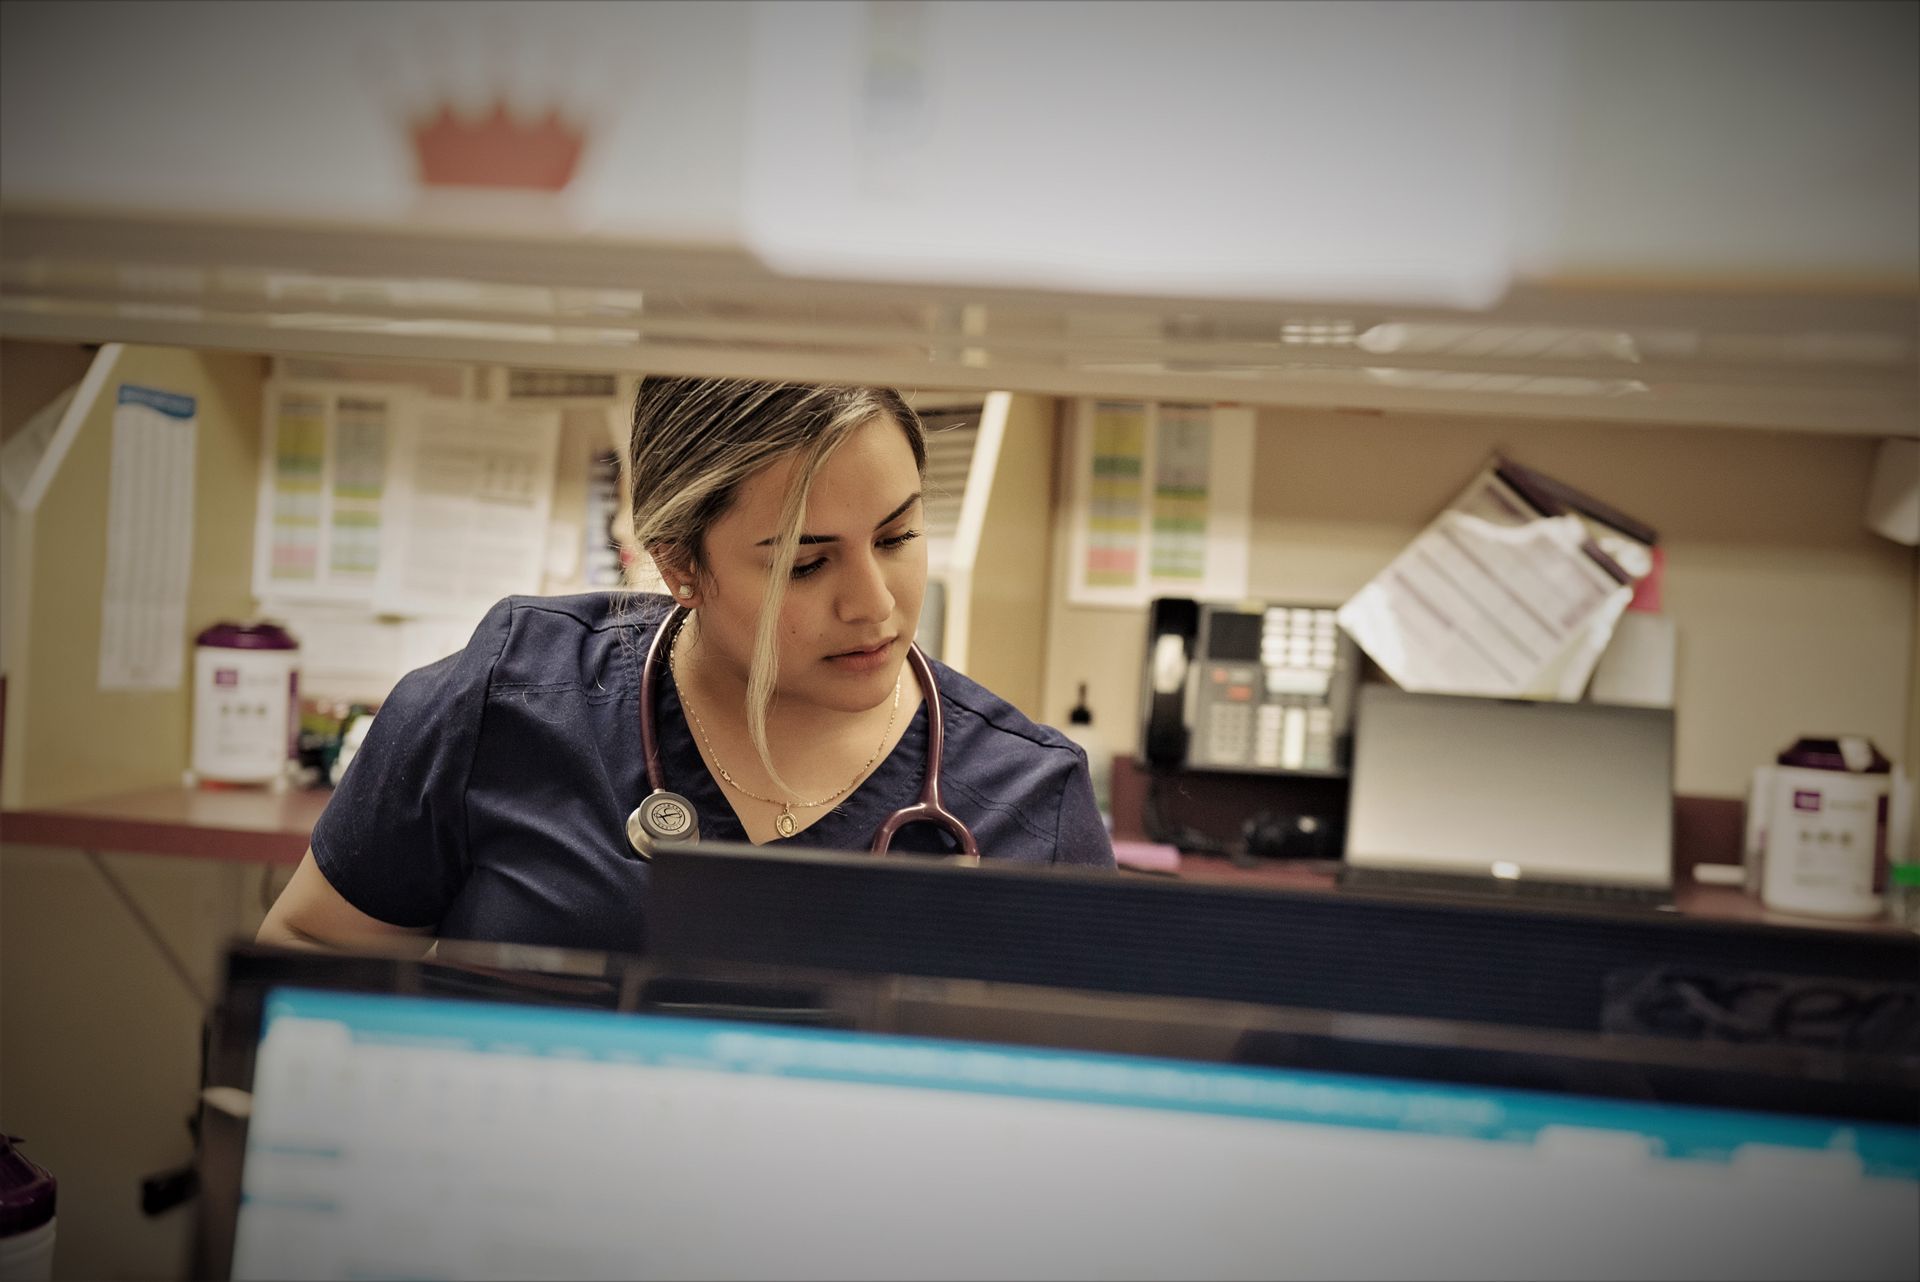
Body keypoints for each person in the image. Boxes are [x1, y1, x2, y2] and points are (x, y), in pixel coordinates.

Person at [259, 377, 1116, 955]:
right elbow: (309, 955)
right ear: (680, 568)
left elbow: (1100, 1122)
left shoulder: (1028, 804)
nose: (875, 604)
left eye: (896, 538)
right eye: (804, 566)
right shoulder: (514, 696)